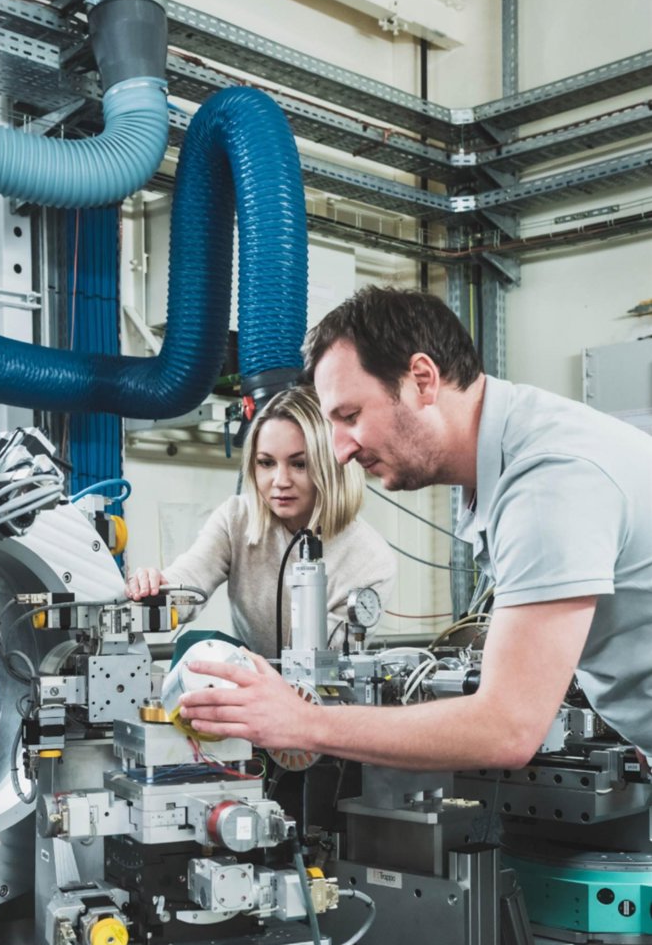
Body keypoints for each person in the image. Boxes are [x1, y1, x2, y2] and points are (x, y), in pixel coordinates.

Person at [176, 286, 652, 771]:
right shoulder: (517, 454)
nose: (340, 452)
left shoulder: (547, 480)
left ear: (422, 379)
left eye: (351, 416)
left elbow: (506, 729)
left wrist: (301, 721)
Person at [126, 384, 396, 657]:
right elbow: (190, 581)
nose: (280, 482)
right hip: (248, 684)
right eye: (266, 463)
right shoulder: (236, 519)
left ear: (331, 466)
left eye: (299, 464)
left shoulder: (370, 560)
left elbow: (323, 665)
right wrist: (157, 590)